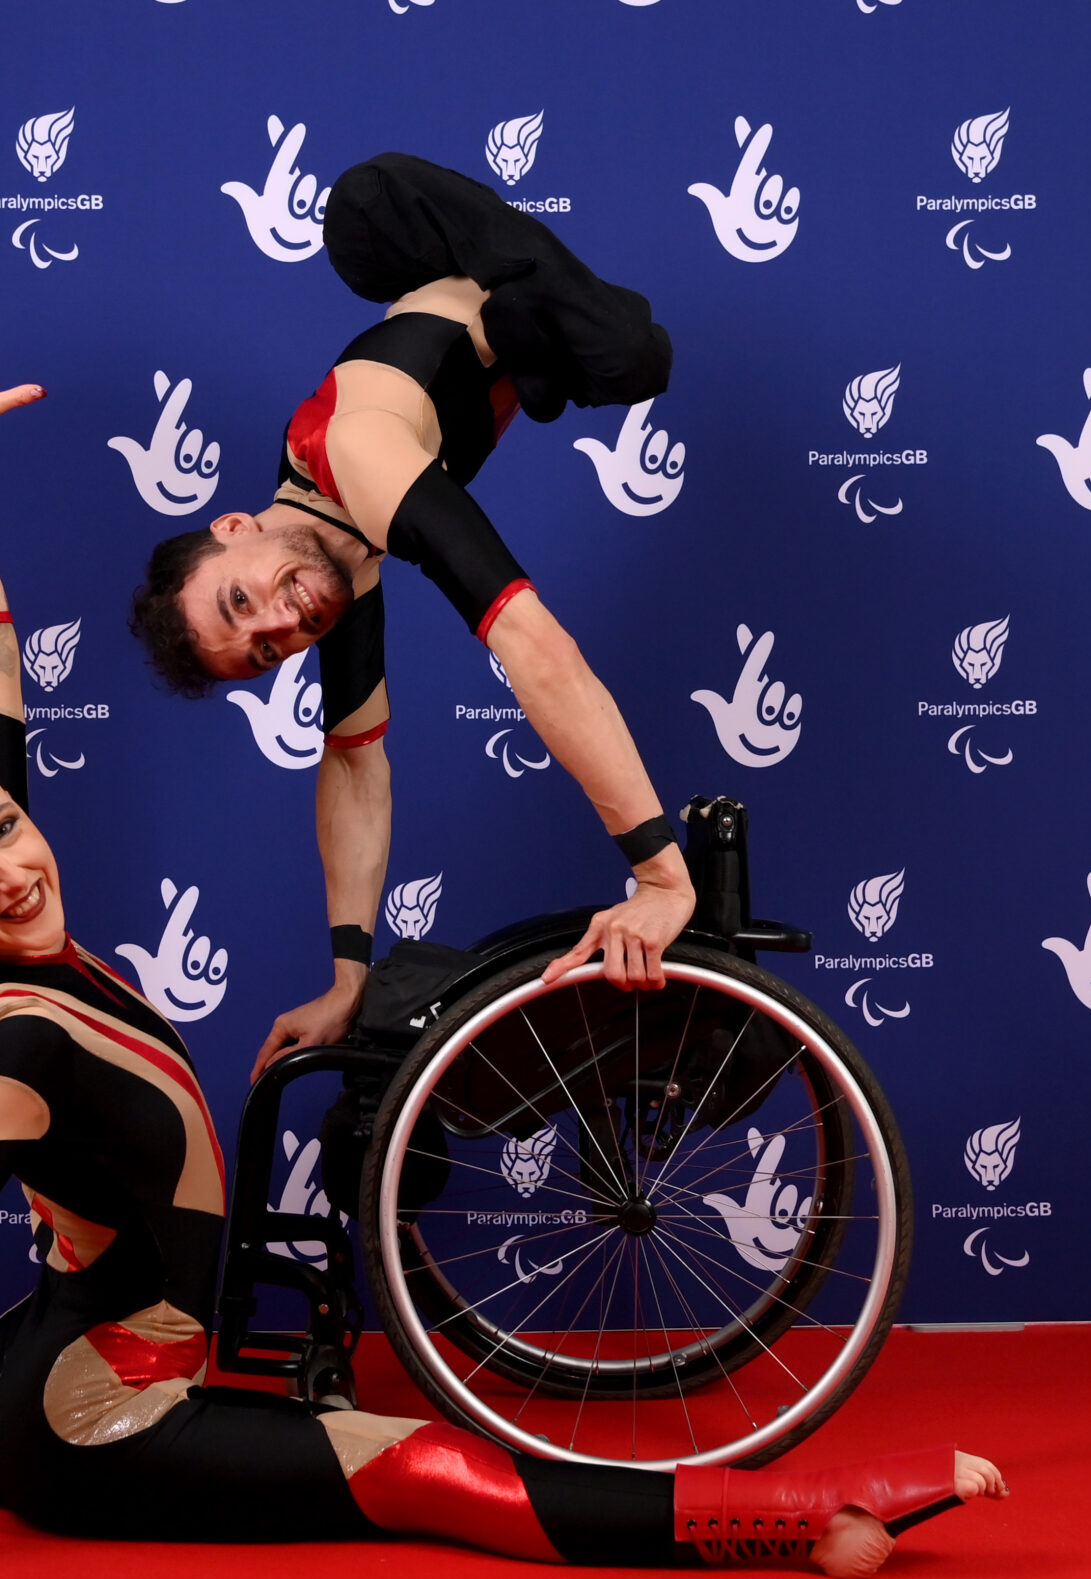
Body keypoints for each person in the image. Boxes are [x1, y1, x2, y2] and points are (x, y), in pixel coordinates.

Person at [0, 309, 1006, 1579]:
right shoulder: (6, 1045)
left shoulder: (16, 912)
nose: (9, 862)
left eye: (5, 823)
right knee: (439, 1468)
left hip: (16, 1376)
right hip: (93, 1419)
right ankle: (803, 1518)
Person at [123, 154, 698, 1082]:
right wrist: (347, 975)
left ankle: (526, 320)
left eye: (245, 596)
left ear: (233, 525)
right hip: (467, 357)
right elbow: (352, 766)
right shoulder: (334, 569)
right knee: (354, 725)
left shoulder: (354, 457)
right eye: (267, 651)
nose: (284, 619)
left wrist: (661, 871)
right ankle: (528, 353)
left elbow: (535, 645)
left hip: (470, 264)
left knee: (636, 356)